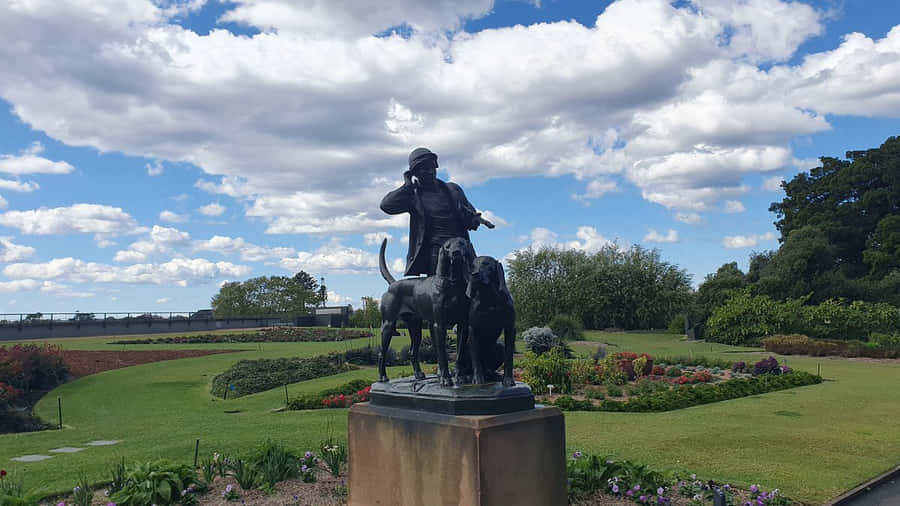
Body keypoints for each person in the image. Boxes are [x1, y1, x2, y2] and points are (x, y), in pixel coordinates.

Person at [380, 147, 494, 276]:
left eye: (432, 167)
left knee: (475, 285)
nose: (429, 171)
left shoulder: (452, 190)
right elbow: (386, 206)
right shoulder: (413, 195)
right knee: (443, 290)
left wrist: (474, 219)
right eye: (424, 169)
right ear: (414, 173)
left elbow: (469, 215)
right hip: (437, 251)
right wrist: (406, 186)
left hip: (462, 246)